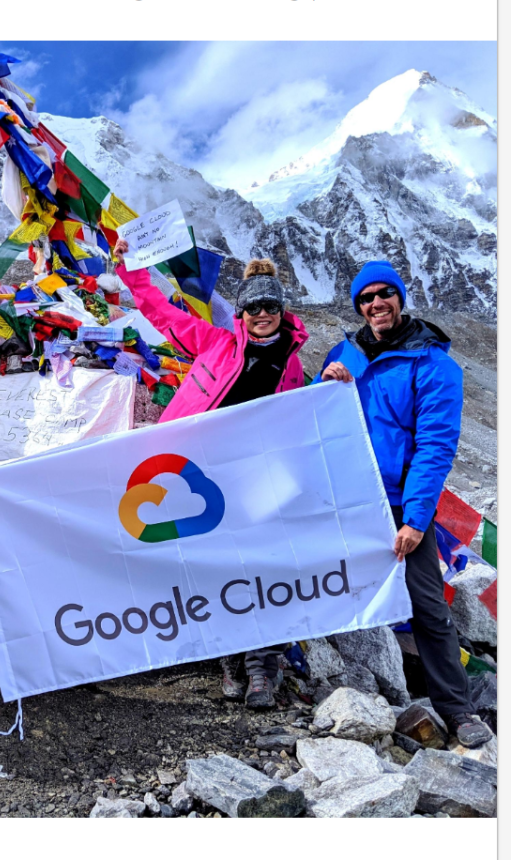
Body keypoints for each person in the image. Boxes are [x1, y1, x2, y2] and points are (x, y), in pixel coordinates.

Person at [114, 240, 308, 708]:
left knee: (260, 565)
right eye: (253, 306)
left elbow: (302, 420)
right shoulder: (215, 343)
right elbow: (159, 312)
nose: (262, 313)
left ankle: (262, 668)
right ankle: (228, 658)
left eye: (270, 305)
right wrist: (129, 267)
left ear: (281, 310)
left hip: (255, 476)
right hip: (197, 473)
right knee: (211, 565)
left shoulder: (294, 365)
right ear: (240, 312)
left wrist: (338, 383)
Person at [318, 261, 492, 748]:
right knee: (318, 585)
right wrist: (322, 386)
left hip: (398, 505)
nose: (376, 303)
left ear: (400, 298)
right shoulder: (345, 354)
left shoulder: (434, 364)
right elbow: (313, 422)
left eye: (385, 294)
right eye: (367, 297)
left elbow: (435, 446)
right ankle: (330, 688)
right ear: (359, 306)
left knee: (427, 605)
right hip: (347, 501)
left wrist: (416, 520)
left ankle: (457, 710)